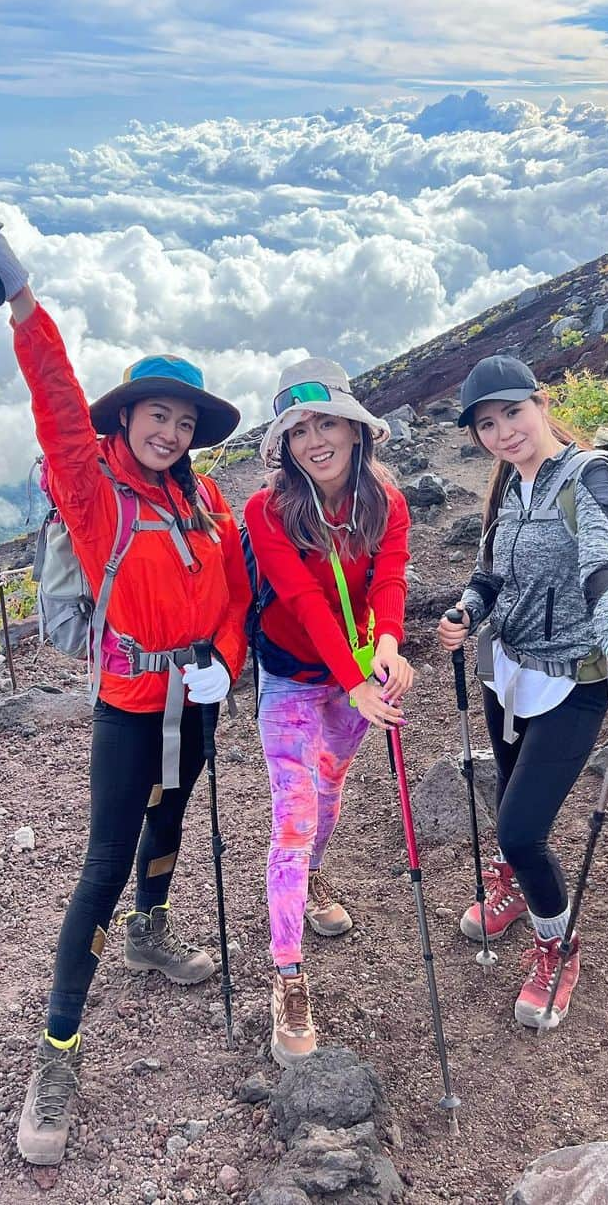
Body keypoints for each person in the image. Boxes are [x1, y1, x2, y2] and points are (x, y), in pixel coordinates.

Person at [0, 223, 250, 1165]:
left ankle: (151, 935)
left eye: (185, 422)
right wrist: (25, 300)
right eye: (156, 416)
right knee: (103, 863)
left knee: (171, 824)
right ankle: (58, 1048)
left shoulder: (207, 506)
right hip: (129, 702)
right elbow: (57, 409)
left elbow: (236, 595)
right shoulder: (95, 492)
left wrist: (228, 662)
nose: (170, 432)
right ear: (127, 420)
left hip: (197, 697)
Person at [437, 355, 608, 1030]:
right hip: (505, 674)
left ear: (542, 401)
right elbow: (491, 574)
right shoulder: (510, 488)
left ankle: (557, 946)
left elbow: (598, 564)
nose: (502, 432)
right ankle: (510, 893)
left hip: (573, 684)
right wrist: (467, 612)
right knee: (508, 801)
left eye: (511, 413)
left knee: (521, 829)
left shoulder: (589, 474)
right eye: (486, 424)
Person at [244, 358, 414, 1066]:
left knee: (331, 798)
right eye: (298, 430)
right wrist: (354, 680)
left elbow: (391, 577)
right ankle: (288, 974)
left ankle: (312, 879)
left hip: (352, 677)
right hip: (294, 677)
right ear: (284, 445)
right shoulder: (268, 510)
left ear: (353, 427)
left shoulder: (387, 501)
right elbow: (302, 602)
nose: (315, 439)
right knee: (295, 815)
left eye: (326, 423)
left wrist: (389, 645)